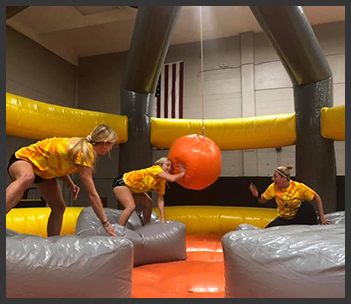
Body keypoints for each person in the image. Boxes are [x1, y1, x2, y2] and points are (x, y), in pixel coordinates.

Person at [6, 124, 118, 237]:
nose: (111, 149)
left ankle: (52, 243)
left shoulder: (82, 148)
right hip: (24, 160)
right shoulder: (85, 152)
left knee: (59, 207)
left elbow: (58, 162)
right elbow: (92, 194)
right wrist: (105, 223)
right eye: (111, 145)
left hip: (44, 172)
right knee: (27, 177)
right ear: (105, 144)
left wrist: (69, 184)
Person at [249, 164, 330, 228]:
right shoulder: (273, 187)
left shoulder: (298, 187)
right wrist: (257, 196)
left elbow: (316, 197)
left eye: (275, 177)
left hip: (298, 216)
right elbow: (263, 200)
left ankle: (314, 226)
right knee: (267, 231)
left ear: (284, 178)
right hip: (284, 218)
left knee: (306, 205)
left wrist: (322, 218)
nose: (272, 179)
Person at [112, 157, 185, 226]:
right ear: (161, 165)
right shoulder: (156, 169)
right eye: (167, 165)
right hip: (123, 183)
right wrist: (182, 173)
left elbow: (160, 200)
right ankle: (119, 229)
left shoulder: (161, 182)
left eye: (171, 167)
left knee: (149, 203)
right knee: (131, 206)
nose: (169, 168)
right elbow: (172, 179)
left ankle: (146, 225)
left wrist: (163, 218)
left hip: (134, 189)